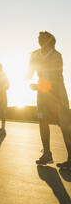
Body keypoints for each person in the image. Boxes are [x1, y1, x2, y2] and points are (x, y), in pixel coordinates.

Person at [26, 31, 71, 169]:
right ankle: (47, 154)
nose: (39, 39)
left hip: (57, 94)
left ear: (50, 41)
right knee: (42, 121)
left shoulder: (57, 56)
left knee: (64, 126)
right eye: (39, 38)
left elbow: (55, 78)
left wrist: (38, 86)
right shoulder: (34, 54)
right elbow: (29, 73)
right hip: (42, 94)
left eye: (43, 38)